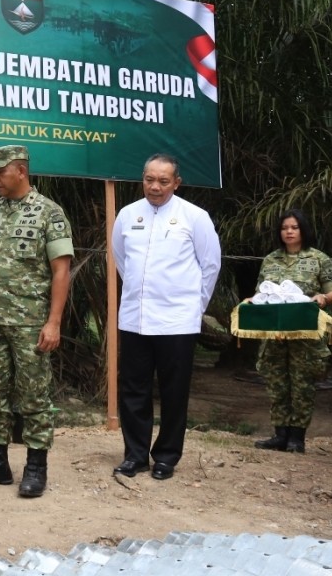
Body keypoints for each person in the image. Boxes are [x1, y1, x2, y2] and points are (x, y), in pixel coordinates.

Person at [0, 145, 73, 498]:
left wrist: (53, 322)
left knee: (34, 396)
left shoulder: (48, 213)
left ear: (21, 170)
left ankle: (36, 466)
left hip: (30, 323)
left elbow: (61, 270)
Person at [111, 153, 221, 480]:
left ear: (176, 182)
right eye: (149, 179)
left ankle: (166, 456)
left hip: (177, 321)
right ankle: (135, 455)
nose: (155, 187)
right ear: (142, 178)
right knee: (133, 390)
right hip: (135, 318)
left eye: (163, 181)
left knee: (174, 391)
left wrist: (192, 306)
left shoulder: (194, 216)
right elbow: (121, 259)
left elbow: (210, 265)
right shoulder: (128, 214)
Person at [251, 209, 332, 453]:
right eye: (284, 228)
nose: (288, 232)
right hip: (274, 333)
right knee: (276, 382)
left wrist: (322, 298)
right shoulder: (270, 260)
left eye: (294, 227)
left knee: (302, 384)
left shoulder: (319, 259)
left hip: (305, 334)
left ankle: (297, 437)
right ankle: (280, 434)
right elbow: (260, 293)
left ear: (303, 230)